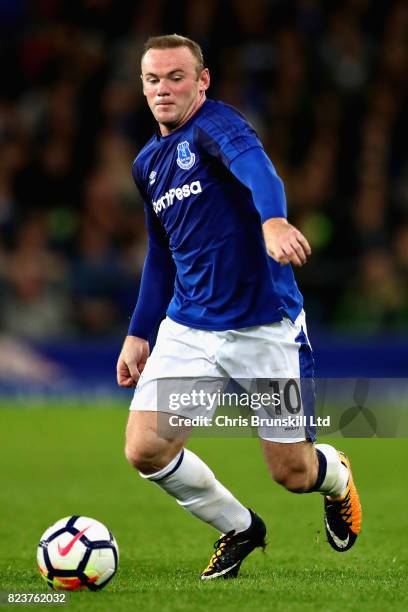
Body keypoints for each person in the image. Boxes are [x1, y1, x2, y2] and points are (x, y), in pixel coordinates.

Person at [117, 34, 362, 580]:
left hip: (264, 329)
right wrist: (139, 332)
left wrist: (272, 219)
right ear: (142, 86)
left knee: (293, 473)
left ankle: (337, 476)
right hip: (190, 327)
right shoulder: (146, 165)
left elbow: (260, 172)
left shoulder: (217, 126)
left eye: (176, 77)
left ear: (202, 81)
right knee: (145, 450)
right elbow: (163, 253)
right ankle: (240, 526)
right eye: (153, 79)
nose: (163, 89)